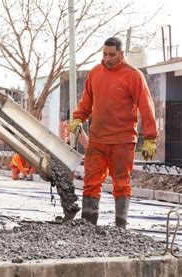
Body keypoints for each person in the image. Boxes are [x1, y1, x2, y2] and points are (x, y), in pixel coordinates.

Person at [69, 37, 157, 229]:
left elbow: (146, 107)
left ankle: (120, 228)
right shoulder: (95, 73)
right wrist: (78, 118)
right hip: (97, 140)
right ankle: (87, 226)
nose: (107, 59)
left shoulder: (133, 76)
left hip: (123, 141)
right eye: (105, 54)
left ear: (121, 54)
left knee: (121, 184)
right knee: (91, 182)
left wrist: (150, 138)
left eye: (112, 55)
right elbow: (86, 102)